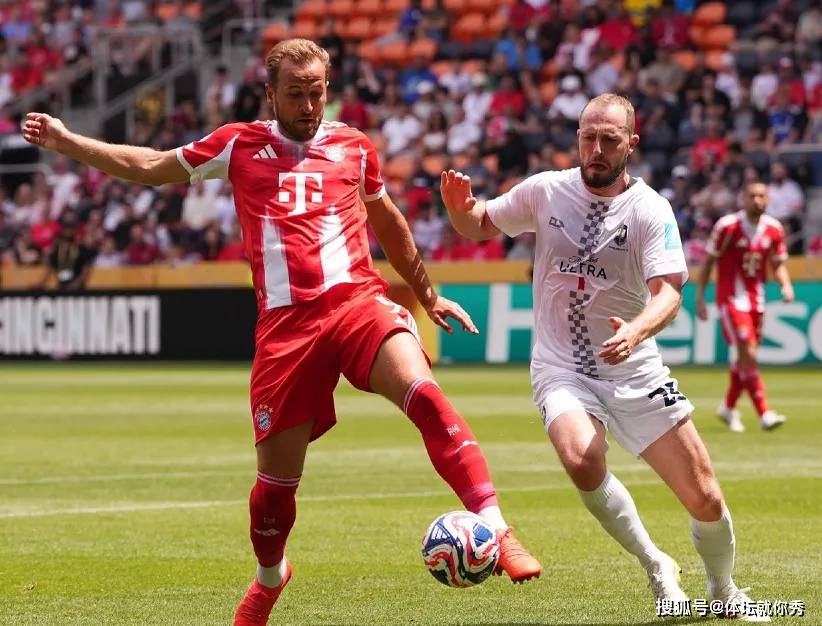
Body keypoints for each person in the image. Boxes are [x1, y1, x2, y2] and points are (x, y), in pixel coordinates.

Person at [22, 39, 541, 626]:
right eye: (295, 93)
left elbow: (389, 222)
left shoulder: (354, 146)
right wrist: (67, 141)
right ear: (271, 94)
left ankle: (496, 527)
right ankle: (271, 576)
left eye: (316, 92)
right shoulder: (238, 143)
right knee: (274, 492)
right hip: (286, 331)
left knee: (423, 393)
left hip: (357, 304)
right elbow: (149, 167)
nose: (308, 104)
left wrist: (427, 294)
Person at [441, 93, 769, 621]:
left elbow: (669, 293)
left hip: (633, 366)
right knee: (581, 459)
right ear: (578, 137)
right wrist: (460, 209)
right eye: (588, 137)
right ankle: (656, 563)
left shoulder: (650, 209)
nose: (596, 149)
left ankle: (724, 590)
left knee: (705, 497)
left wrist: (637, 331)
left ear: (631, 144)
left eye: (609, 140)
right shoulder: (545, 190)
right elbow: (481, 223)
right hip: (561, 367)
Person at [696, 181, 794, 433]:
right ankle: (764, 413)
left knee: (746, 357)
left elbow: (777, 264)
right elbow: (708, 263)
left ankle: (728, 407)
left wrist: (786, 285)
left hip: (756, 300)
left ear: (768, 199)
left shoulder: (774, 229)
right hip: (730, 299)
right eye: (752, 196)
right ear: (743, 198)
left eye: (761, 196)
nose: (757, 200)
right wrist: (700, 298)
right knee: (748, 352)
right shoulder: (727, 226)